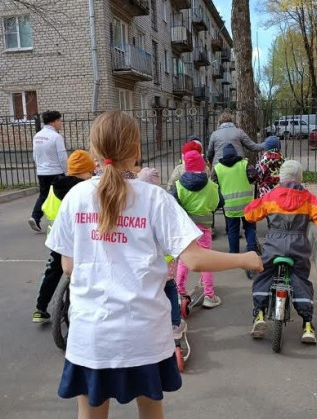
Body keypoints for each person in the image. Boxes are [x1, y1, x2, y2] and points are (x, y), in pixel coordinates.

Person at [45, 111, 262, 419]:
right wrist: (245, 258)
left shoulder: (76, 198)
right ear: (137, 152)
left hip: (91, 335)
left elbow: (68, 266)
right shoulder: (154, 199)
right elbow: (194, 258)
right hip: (143, 334)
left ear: (95, 152)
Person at [244, 160, 317, 344]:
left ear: (281, 177)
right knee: (300, 278)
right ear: (300, 177)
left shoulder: (272, 196)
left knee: (263, 272)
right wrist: (311, 218)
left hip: (274, 243)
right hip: (299, 244)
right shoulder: (307, 198)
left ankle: (259, 314)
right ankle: (307, 324)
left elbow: (250, 214)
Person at [32, 150, 96, 323]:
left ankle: (40, 308)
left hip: (57, 239)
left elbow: (45, 208)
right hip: (80, 239)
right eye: (91, 172)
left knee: (52, 271)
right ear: (86, 171)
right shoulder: (83, 190)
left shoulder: (54, 187)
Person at [137, 167, 187, 341]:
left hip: (147, 263)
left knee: (151, 289)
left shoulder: (135, 203)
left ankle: (150, 322)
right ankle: (174, 323)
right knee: (170, 287)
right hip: (167, 259)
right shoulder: (164, 200)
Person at [171, 151, 222, 308]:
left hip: (186, 230)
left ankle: (179, 291)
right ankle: (209, 295)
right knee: (206, 261)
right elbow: (218, 203)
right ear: (202, 165)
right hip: (204, 230)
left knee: (184, 260)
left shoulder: (178, 186)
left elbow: (173, 205)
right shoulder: (211, 186)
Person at [213, 144, 258, 263]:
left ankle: (234, 254)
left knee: (233, 230)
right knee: (249, 227)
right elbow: (253, 176)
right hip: (247, 204)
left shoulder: (217, 168)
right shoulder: (244, 164)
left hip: (229, 205)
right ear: (235, 153)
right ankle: (252, 249)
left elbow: (213, 184)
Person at [28, 110, 67, 232]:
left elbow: (35, 155)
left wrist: (40, 167)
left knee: (44, 195)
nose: (61, 123)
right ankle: (62, 221)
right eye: (59, 121)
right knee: (62, 196)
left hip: (42, 172)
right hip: (56, 172)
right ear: (53, 122)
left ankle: (35, 217)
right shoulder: (56, 137)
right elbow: (62, 156)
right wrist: (66, 171)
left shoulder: (37, 136)